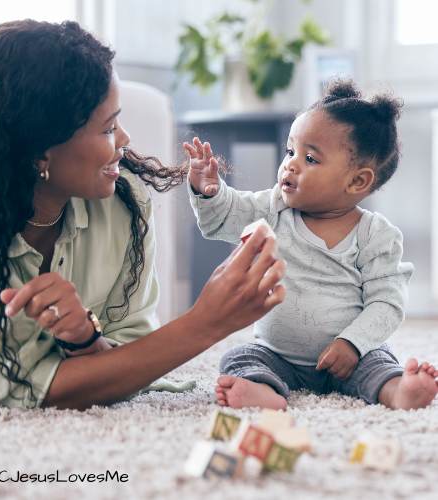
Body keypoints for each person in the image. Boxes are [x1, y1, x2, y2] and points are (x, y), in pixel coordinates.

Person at [0, 20, 287, 410]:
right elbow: (24, 388)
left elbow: (132, 357)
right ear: (38, 152)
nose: (124, 140)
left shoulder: (124, 203)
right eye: (107, 129)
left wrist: (86, 338)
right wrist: (207, 322)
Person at [185, 78, 438, 411]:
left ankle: (398, 392)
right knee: (240, 357)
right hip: (277, 355)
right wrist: (211, 192)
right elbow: (230, 215)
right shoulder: (274, 207)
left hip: (350, 359)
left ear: (357, 180)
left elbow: (387, 302)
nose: (290, 163)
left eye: (311, 159)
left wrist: (353, 343)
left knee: (378, 366)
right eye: (291, 151)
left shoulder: (376, 235)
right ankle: (265, 391)